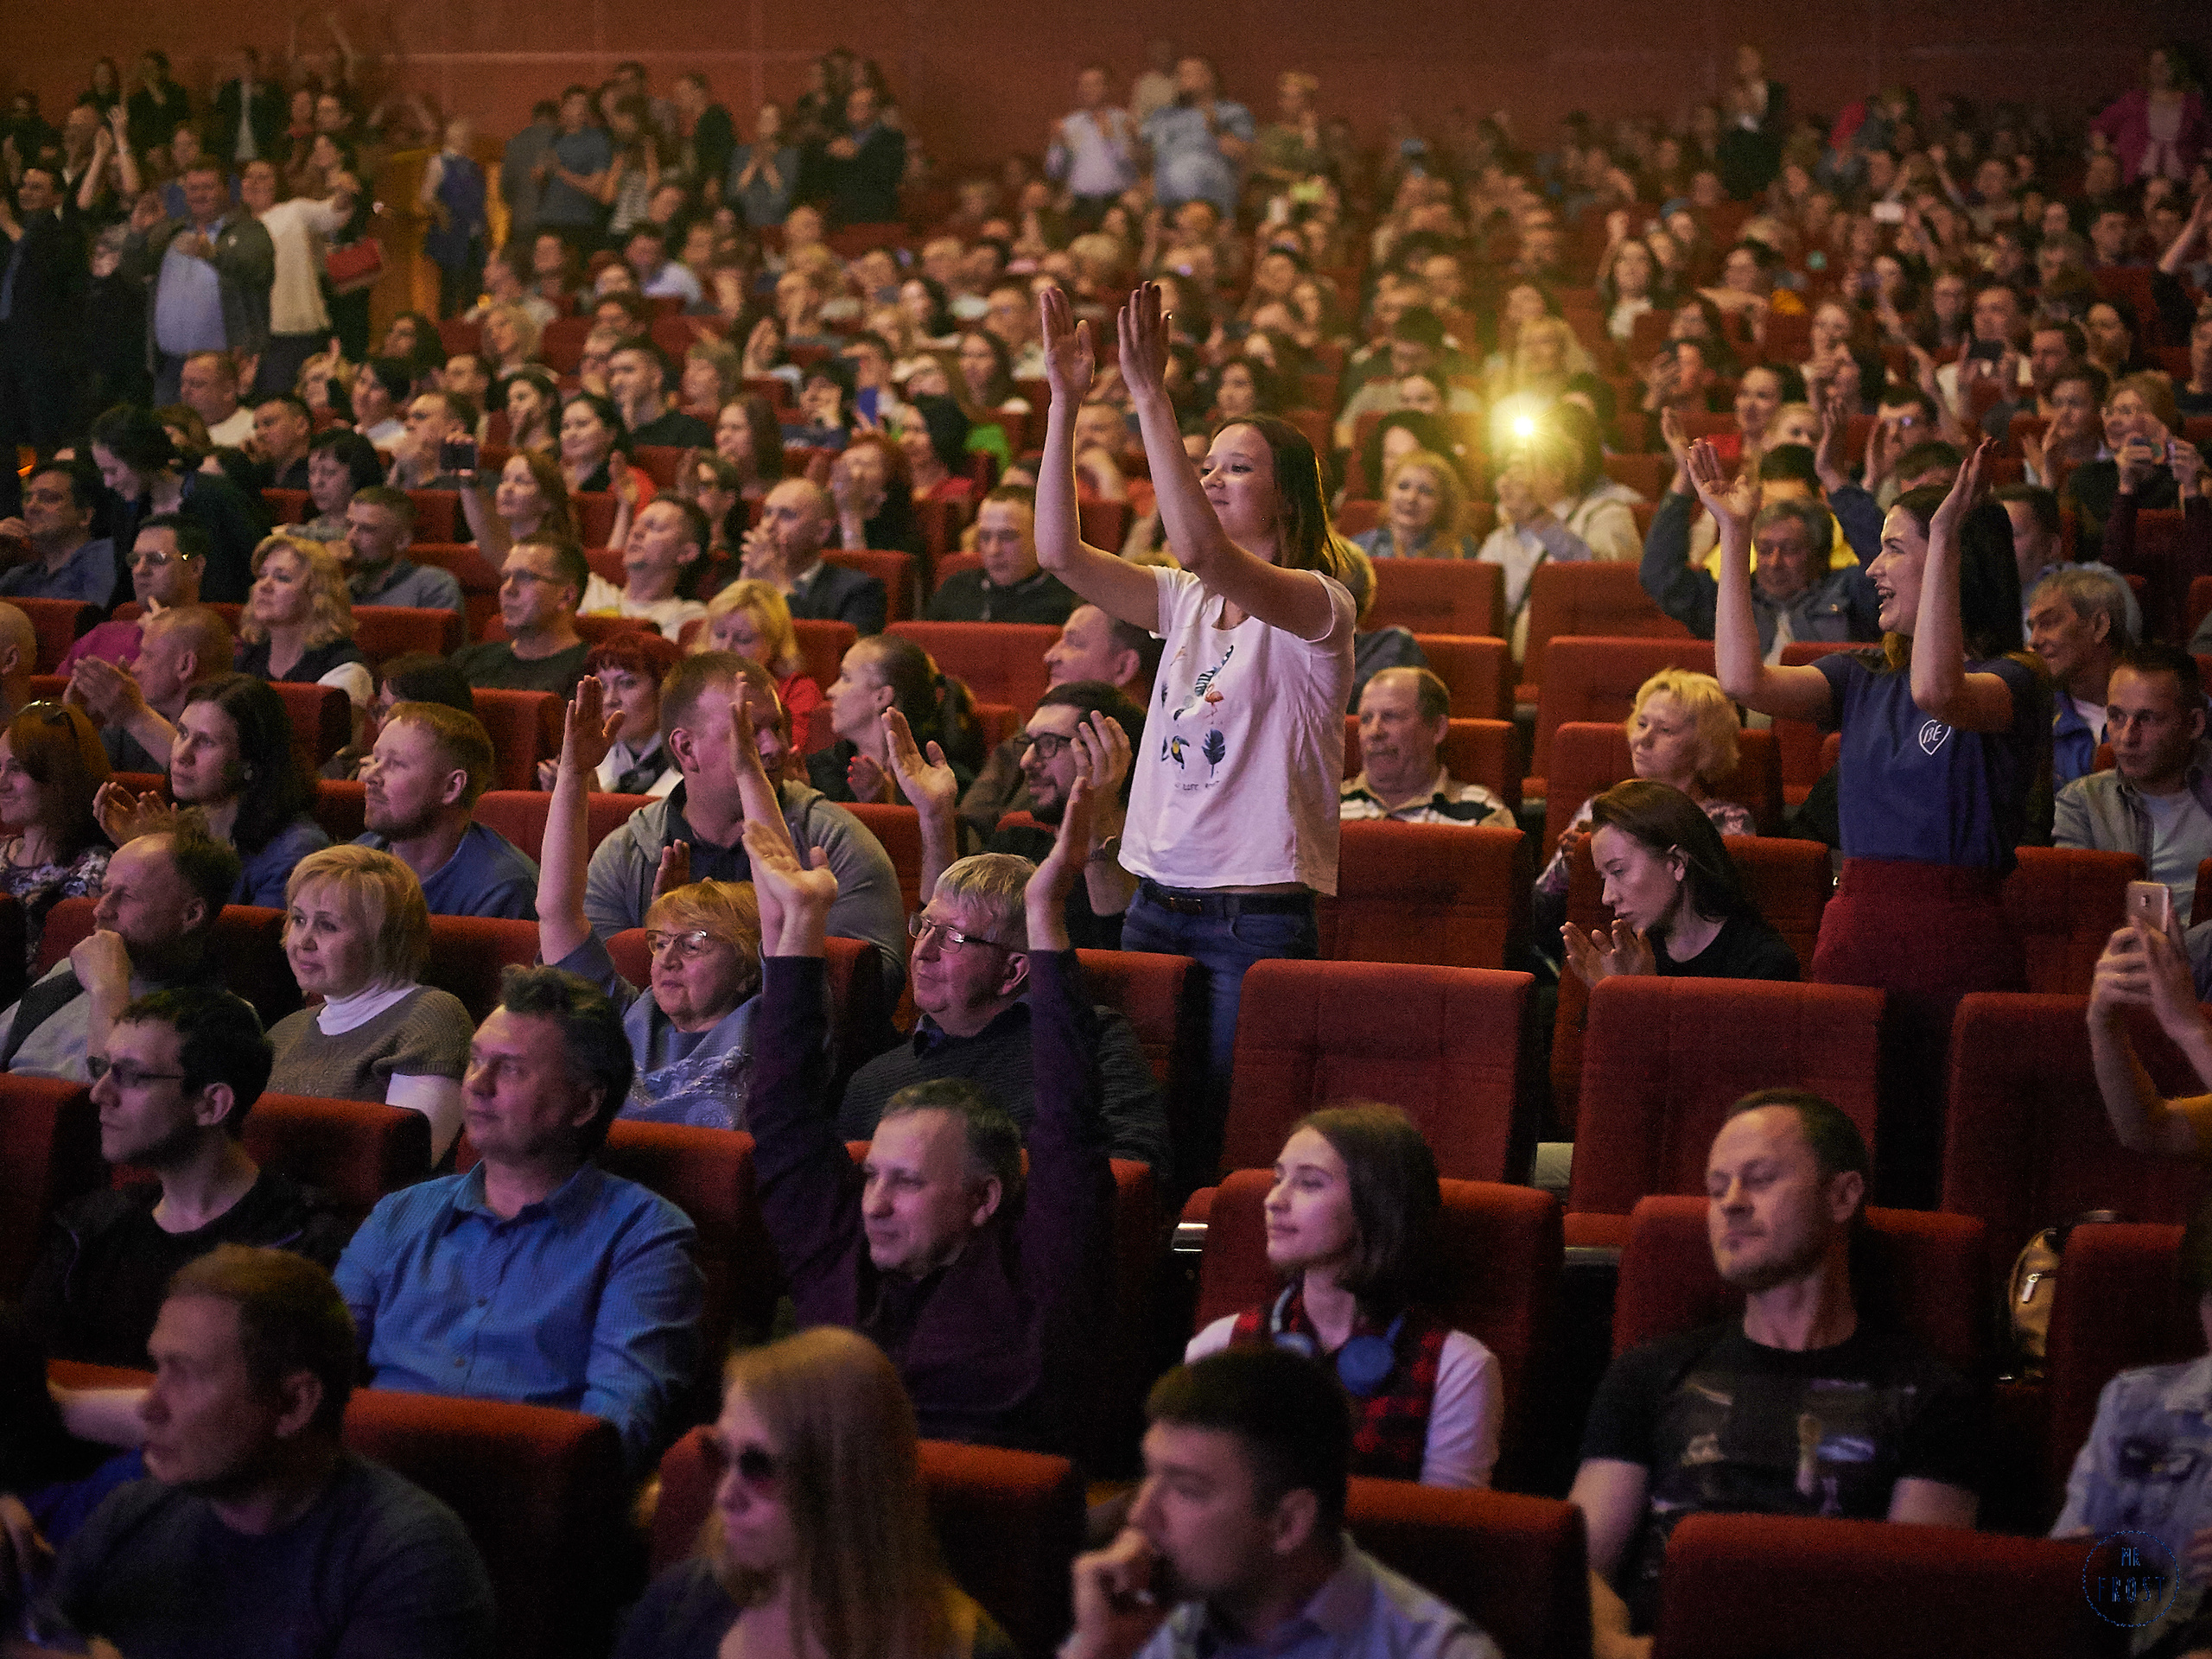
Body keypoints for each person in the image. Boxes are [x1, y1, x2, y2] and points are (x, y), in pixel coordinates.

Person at [1035, 284, 1355, 1194]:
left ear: (1288, 500)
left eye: (1236, 468)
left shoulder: (1319, 607)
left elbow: (1205, 548)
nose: (1211, 477)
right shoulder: (1184, 600)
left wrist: (1150, 394)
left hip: (1251, 922)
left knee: (1223, 1146)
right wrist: (1063, 401)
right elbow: (1060, 555)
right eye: (1205, 464)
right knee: (1139, 1133)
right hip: (1153, 905)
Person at [742, 721, 1116, 1451]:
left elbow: (1070, 1126)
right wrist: (802, 926)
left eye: (908, 1182)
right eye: (872, 1176)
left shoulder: (1036, 1285)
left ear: (985, 1199)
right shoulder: (842, 1259)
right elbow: (783, 1117)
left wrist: (1046, 917)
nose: (875, 1203)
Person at [1707, 437, 2045, 1205]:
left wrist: (1948, 534)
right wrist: (1733, 532)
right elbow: (1741, 679)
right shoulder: (1862, 673)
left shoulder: (2015, 678)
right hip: (1855, 932)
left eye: (1895, 549)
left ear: (1953, 561)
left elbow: (1938, 692)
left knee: (1947, 1153)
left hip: (1955, 945)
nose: (1872, 568)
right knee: (1846, 1143)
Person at [1571, 1092, 1980, 1658]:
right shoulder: (1647, 1374)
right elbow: (1579, 1567)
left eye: (1760, 1180)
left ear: (1842, 1196)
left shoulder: (1932, 1397)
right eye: (1717, 1188)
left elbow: (1914, 1607)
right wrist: (1618, 1648)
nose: (1731, 1204)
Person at [10, 1245, 496, 1656]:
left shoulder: (408, 1559)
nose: (149, 1406)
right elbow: (40, 1638)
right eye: (159, 1368)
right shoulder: (135, 1507)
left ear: (293, 1404)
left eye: (186, 1374)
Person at [333, 964, 703, 1476]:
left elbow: (616, 1429)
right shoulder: (400, 1213)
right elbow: (315, 1368)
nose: (476, 1085)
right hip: (368, 1481)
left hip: (526, 1497)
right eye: (475, 1060)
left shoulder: (646, 1237)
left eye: (509, 1069)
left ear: (584, 1103)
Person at [1065, 1347, 1503, 1659]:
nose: (1140, 1514)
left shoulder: (1437, 1652)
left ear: (1289, 1524)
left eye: (1187, 1489)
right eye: (1149, 1475)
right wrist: (1097, 1652)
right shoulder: (1141, 1619)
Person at [612, 1325, 1016, 1659]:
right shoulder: (682, 1602)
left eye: (758, 1467)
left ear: (845, 1484)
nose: (724, 1497)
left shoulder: (969, 1648)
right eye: (724, 1456)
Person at [21, 988, 352, 1370]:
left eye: (131, 1076)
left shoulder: (302, 1245)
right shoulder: (88, 1229)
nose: (99, 1093)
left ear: (212, 1104)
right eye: (103, 1068)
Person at [1185, 1104, 1503, 1487]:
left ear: (1378, 1206)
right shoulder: (1220, 1345)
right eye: (1278, 1178)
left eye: (1310, 1183)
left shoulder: (1458, 1368)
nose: (1274, 1200)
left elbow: (1437, 1521)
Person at [584, 652, 907, 985]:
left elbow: (877, 984)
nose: (775, 747)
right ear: (686, 748)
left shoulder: (832, 840)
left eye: (777, 727)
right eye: (749, 732)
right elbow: (591, 990)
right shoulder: (626, 854)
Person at [539, 677, 762, 1128]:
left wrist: (748, 773)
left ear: (748, 968)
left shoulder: (772, 1022)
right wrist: (574, 775)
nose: (667, 960)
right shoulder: (627, 1013)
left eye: (693, 944)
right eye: (659, 942)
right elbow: (556, 911)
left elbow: (788, 915)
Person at [0, 822, 241, 1083]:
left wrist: (107, 991)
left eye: (127, 896)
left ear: (191, 914)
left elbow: (118, 1093)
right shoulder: (69, 972)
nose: (100, 910)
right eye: (105, 890)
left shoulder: (220, 1022)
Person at [1534, 669, 1757, 937]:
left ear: (1705, 746)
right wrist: (1574, 865)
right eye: (1641, 724)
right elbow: (1540, 910)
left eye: (1665, 730)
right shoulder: (1598, 810)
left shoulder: (1727, 820)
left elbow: (1720, 909)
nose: (1643, 740)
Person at [102, 674, 330, 908]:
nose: (181, 755)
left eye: (206, 742)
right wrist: (142, 853)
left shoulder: (295, 850)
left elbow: (234, 931)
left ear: (249, 763)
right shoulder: (183, 825)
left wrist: (165, 863)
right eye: (182, 733)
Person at [1561, 779, 1801, 988]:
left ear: (1677, 863)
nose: (1606, 897)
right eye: (1603, 877)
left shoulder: (1764, 963)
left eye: (1618, 871)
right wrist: (1606, 998)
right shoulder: (1632, 955)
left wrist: (1640, 994)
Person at [956, 605, 1163, 842]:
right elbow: (970, 825)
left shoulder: (1165, 762)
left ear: (1124, 666)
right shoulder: (1029, 735)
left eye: (1073, 643)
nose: (1049, 656)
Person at [2056, 642, 2212, 926]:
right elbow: (2079, 919)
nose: (2127, 737)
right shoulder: (2081, 802)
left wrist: (2181, 949)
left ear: (2194, 724)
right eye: (2116, 716)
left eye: (2147, 719)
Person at [353, 698, 540, 920]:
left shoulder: (503, 890)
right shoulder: (358, 857)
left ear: (452, 787)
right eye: (376, 759)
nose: (370, 775)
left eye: (396, 763)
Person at [124, 159, 274, 407]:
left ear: (226, 190)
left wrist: (214, 255)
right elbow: (132, 272)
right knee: (171, 430)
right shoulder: (171, 231)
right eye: (193, 188)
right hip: (171, 367)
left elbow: (258, 272)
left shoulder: (249, 230)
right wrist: (138, 233)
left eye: (208, 187)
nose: (199, 195)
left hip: (224, 368)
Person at [89, 404, 264, 603]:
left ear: (141, 458)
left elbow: (257, 564)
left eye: (112, 471)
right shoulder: (126, 510)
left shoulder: (216, 497)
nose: (108, 483)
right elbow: (127, 589)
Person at [0, 163, 87, 524]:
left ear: (56, 196)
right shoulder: (18, 232)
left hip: (45, 356)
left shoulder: (60, 232)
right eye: (24, 185)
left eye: (37, 187)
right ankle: (12, 507)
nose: (26, 192)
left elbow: (52, 273)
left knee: (44, 435)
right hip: (10, 350)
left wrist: (10, 226)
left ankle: (51, 504)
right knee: (8, 434)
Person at [0, 704, 113, 969]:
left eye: (16, 768)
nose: (1, 782)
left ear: (60, 777)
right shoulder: (4, 849)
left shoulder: (93, 870)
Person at [809, 633, 982, 807]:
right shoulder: (818, 770)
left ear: (882, 697)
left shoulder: (946, 782)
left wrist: (889, 803)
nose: (830, 691)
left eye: (846, 678)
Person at [70, 603, 234, 776]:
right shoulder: (125, 728)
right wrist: (77, 722)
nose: (134, 668)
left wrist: (134, 715)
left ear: (186, 665)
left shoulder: (230, 733)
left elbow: (203, 778)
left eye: (147, 655)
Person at [1339, 667, 1511, 828]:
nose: (1374, 732)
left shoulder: (1482, 812)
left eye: (1391, 716)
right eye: (1366, 719)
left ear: (1437, 729)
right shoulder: (1328, 806)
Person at [232, 533, 374, 713]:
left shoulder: (344, 669)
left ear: (318, 594)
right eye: (262, 575)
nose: (264, 586)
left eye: (282, 578)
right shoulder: (244, 657)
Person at [447, 533, 593, 696]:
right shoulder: (467, 662)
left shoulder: (591, 675)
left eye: (525, 577)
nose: (508, 589)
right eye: (505, 577)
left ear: (566, 596)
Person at [2026, 565, 2133, 786]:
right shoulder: (2032, 717)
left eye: (2049, 623)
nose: (2034, 641)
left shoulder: (2169, 708)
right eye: (2032, 627)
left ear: (2099, 625)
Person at [739, 478, 888, 635]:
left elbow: (811, 645)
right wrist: (742, 585)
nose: (769, 526)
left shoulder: (859, 591)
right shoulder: (737, 579)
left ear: (822, 532)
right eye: (767, 513)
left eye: (788, 515)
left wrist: (780, 584)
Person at [925, 486, 1078, 625]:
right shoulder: (956, 590)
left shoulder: (1067, 601)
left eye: (1007, 537)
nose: (993, 550)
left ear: (1040, 537)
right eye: (985, 537)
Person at [697, 579, 823, 746]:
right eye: (720, 635)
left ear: (773, 644)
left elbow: (790, 751)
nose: (726, 648)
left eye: (743, 639)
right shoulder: (693, 682)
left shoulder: (797, 691)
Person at [582, 497, 711, 640]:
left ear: (686, 553)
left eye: (654, 527)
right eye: (636, 524)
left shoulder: (688, 617)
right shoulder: (589, 588)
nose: (636, 532)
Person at [0, 461, 117, 607]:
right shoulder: (21, 576)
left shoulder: (104, 557)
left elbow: (92, 617)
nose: (31, 507)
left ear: (85, 516)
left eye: (48, 498)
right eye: (28, 498)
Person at [340, 486, 467, 615]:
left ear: (401, 541)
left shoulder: (434, 586)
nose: (350, 538)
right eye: (349, 526)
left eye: (367, 529)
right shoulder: (345, 589)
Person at [1350, 449, 1478, 563]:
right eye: (1403, 487)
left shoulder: (1461, 551)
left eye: (1425, 491)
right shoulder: (1358, 549)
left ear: (1443, 503)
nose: (1411, 498)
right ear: (1387, 490)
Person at [611, 340, 713, 450]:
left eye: (628, 370)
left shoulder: (689, 430)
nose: (616, 381)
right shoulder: (608, 431)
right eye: (612, 373)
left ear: (656, 377)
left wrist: (632, 428)